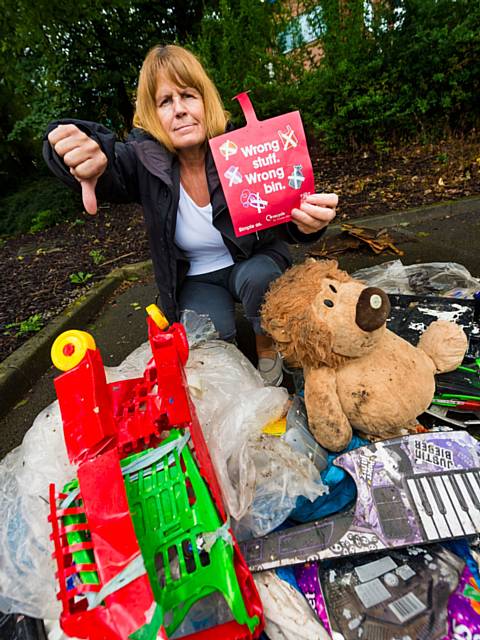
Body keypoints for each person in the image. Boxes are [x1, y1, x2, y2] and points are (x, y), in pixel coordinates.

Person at [44, 44, 338, 386]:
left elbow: (286, 218)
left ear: (206, 100)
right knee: (211, 340)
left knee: (262, 280)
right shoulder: (142, 160)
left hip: (251, 262)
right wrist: (79, 153)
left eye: (188, 95)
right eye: (165, 101)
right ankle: (232, 376)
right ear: (152, 114)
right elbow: (107, 160)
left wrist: (307, 225)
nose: (180, 110)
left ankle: (267, 345)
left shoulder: (242, 148)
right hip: (196, 278)